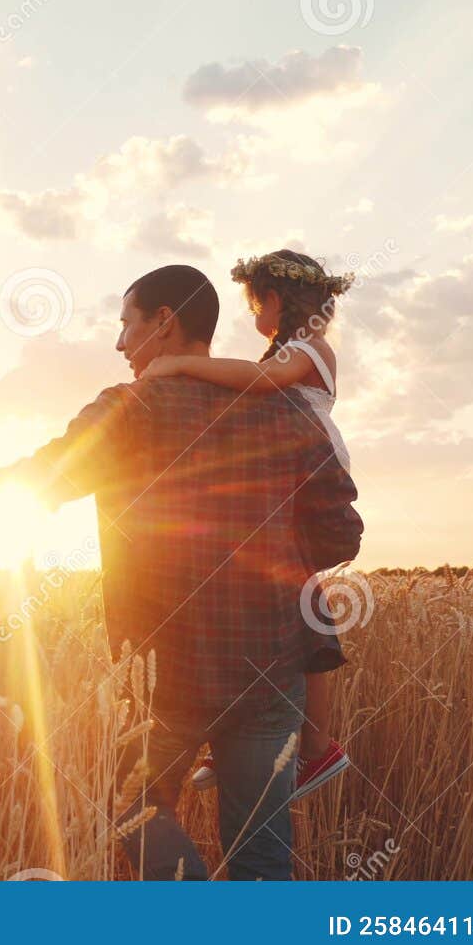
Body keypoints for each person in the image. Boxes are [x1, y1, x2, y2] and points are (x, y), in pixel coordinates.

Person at [0, 264, 362, 879]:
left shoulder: (130, 408)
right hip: (271, 668)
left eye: (126, 325)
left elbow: (40, 480)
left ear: (164, 323)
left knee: (129, 807)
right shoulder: (288, 413)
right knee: (263, 855)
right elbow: (342, 535)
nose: (119, 344)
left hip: (164, 675)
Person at [139, 250, 354, 800]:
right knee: (290, 600)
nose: (252, 313)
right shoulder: (286, 351)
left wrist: (179, 365)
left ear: (275, 302)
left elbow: (263, 380)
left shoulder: (307, 351)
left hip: (311, 466)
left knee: (302, 601)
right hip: (292, 462)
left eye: (254, 303)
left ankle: (317, 746)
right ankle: (249, 736)